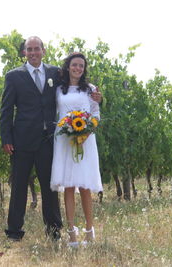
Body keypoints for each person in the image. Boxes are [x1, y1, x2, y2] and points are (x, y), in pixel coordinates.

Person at [0, 36, 62, 241]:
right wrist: (6, 138)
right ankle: (14, 231)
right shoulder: (13, 76)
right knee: (19, 187)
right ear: (24, 53)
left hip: (48, 140)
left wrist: (95, 96)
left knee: (50, 188)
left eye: (37, 49)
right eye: (29, 49)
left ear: (44, 50)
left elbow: (73, 88)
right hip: (22, 141)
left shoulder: (55, 73)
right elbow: (6, 109)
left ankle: (54, 231)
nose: (33, 52)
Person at [50, 52, 103, 247]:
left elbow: (96, 113)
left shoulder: (90, 90)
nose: (78, 68)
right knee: (69, 186)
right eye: (75, 65)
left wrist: (87, 132)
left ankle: (89, 230)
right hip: (64, 140)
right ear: (68, 66)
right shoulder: (58, 90)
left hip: (85, 141)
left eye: (81, 65)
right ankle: (72, 233)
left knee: (85, 185)